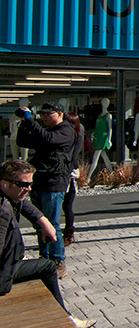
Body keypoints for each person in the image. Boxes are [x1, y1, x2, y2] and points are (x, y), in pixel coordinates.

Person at [0, 160, 96, 327]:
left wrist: (44, 222)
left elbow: (24, 205)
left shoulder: (8, 196)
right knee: (47, 267)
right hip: (2, 274)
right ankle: (65, 320)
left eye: (30, 184)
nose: (28, 189)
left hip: (8, 265)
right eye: (24, 184)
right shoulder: (2, 211)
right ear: (4, 184)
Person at [14, 102, 76, 279]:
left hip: (54, 182)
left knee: (51, 224)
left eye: (48, 114)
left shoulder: (66, 130)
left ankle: (58, 261)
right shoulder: (44, 130)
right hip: (39, 180)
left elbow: (48, 140)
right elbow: (23, 141)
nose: (44, 118)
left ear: (59, 113)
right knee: (39, 223)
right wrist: (25, 123)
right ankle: (45, 258)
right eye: (42, 115)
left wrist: (31, 121)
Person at [62, 112, 84, 247]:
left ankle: (68, 233)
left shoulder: (77, 136)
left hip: (69, 172)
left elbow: (73, 156)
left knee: (67, 206)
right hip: (64, 170)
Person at [88, 98, 113, 179]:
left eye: (106, 102)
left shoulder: (108, 116)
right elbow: (97, 127)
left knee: (95, 157)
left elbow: (110, 128)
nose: (104, 104)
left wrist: (109, 139)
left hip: (102, 138)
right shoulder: (100, 116)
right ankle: (112, 173)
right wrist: (93, 134)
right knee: (105, 157)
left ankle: (88, 177)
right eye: (103, 102)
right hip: (97, 137)